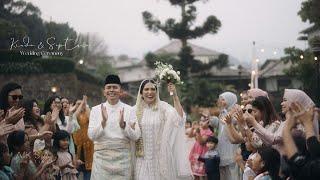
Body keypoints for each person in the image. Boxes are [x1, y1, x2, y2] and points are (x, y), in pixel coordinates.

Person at [132, 79, 192, 180]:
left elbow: (179, 119)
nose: (150, 92)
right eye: (146, 89)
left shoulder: (163, 107)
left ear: (156, 91)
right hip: (140, 159)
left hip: (160, 160)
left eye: (153, 89)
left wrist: (175, 96)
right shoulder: (134, 110)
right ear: (141, 92)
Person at [88, 74, 140, 180]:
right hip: (101, 158)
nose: (112, 90)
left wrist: (124, 126)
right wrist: (103, 122)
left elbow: (136, 136)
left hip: (123, 158)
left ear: (120, 90)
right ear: (104, 91)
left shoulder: (130, 110)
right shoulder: (95, 110)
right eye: (109, 87)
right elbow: (91, 136)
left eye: (115, 87)